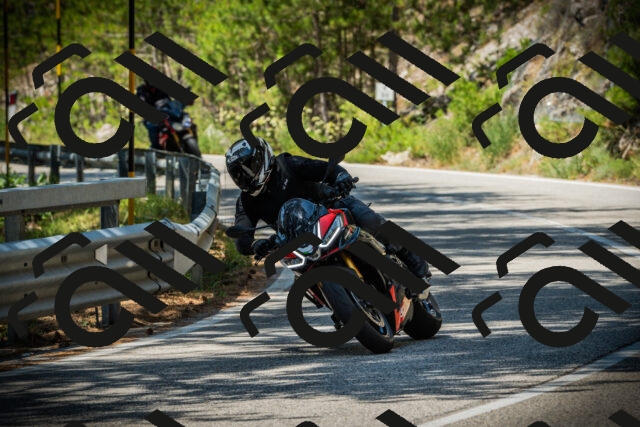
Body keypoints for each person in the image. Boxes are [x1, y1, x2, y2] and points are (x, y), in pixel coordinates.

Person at [225, 137, 432, 289]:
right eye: (239, 174)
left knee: (369, 219)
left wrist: (342, 178)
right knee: (302, 279)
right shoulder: (246, 201)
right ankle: (338, 304)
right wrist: (255, 245)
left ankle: (409, 254)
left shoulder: (287, 165)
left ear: (263, 157)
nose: (246, 176)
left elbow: (326, 169)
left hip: (329, 208)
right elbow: (241, 236)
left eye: (249, 167)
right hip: (297, 240)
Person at [136, 79, 171, 150]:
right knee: (152, 126)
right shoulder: (141, 90)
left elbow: (169, 100)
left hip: (166, 113)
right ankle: (156, 147)